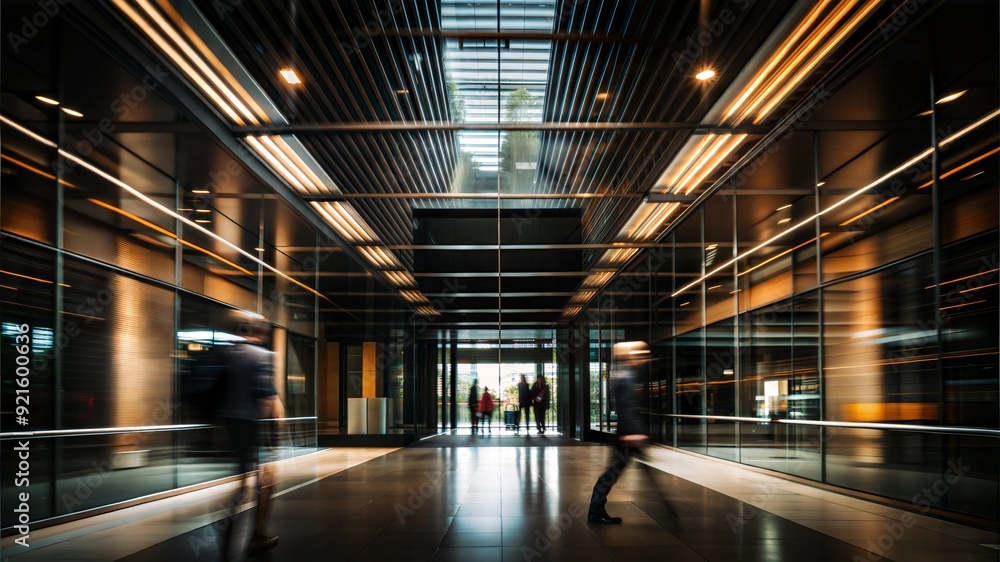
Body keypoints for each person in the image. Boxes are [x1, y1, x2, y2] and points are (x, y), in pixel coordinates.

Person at [217, 316, 285, 558]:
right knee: (266, 479)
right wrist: (269, 436)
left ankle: (228, 529)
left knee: (243, 479)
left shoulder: (228, 354)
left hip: (225, 426)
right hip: (249, 426)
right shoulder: (264, 356)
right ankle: (257, 534)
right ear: (264, 334)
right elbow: (266, 399)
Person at [588, 341, 651, 524]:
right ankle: (595, 512)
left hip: (626, 434)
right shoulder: (626, 375)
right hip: (627, 436)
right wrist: (634, 432)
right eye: (640, 354)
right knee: (611, 474)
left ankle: (596, 511)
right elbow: (627, 407)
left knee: (612, 473)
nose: (644, 358)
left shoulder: (623, 373)